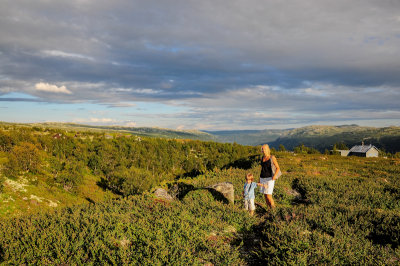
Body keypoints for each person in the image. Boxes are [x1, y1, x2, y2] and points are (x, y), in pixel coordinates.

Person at [259, 144, 280, 208]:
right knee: (265, 196)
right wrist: (259, 179)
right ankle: (269, 209)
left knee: (269, 196)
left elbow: (278, 168)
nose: (264, 150)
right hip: (262, 178)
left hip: (270, 178)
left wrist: (275, 176)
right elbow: (262, 169)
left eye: (265, 149)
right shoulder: (262, 158)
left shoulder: (272, 157)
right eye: (262, 149)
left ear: (268, 149)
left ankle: (273, 210)